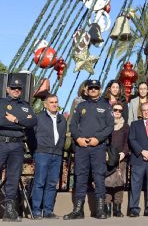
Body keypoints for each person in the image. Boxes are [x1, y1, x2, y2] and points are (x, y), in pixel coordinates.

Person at [64, 79, 114, 220]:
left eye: (96, 88)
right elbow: (73, 125)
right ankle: (78, 210)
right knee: (80, 177)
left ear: (100, 89)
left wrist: (97, 138)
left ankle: (100, 209)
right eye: (91, 88)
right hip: (82, 147)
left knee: (99, 177)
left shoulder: (106, 106)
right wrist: (78, 138)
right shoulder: (81, 106)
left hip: (98, 146)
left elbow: (109, 127)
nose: (93, 90)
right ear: (86, 89)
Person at [30, 94, 65, 220]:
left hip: (57, 154)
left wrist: (60, 149)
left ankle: (48, 210)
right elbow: (31, 135)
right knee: (39, 182)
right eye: (51, 102)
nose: (54, 104)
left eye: (56, 102)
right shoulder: (38, 118)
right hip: (42, 153)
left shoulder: (62, 119)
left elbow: (63, 137)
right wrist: (35, 150)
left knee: (51, 183)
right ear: (45, 104)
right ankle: (36, 210)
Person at [105, 103, 129, 217]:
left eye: (120, 110)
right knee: (107, 182)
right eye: (115, 109)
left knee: (119, 183)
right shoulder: (106, 123)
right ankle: (107, 207)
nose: (118, 112)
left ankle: (117, 208)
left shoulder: (125, 126)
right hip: (108, 157)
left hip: (121, 157)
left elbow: (127, 142)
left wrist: (124, 153)